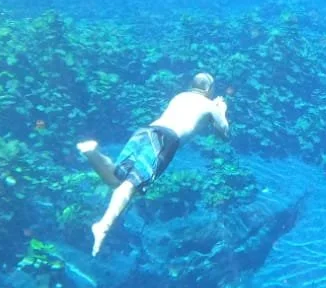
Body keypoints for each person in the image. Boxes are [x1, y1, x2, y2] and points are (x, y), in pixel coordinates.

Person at [78, 72, 230, 256]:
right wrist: (221, 109)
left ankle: (93, 154)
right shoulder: (209, 105)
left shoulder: (180, 96)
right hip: (166, 139)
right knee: (130, 186)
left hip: (146, 131)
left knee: (115, 179)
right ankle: (104, 226)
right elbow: (223, 133)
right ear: (209, 89)